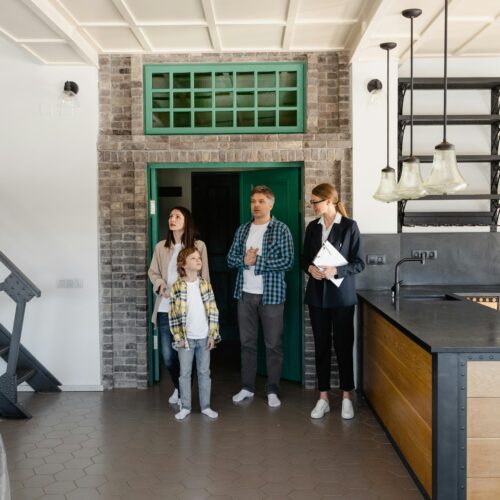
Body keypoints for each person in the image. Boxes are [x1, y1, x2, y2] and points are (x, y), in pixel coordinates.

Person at [301, 183, 365, 420]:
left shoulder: (349, 227)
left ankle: (347, 396)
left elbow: (359, 263)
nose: (313, 206)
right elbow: (303, 257)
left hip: (342, 298)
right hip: (317, 297)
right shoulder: (312, 227)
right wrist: (310, 268)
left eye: (316, 201)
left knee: (343, 346)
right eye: (312, 202)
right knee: (320, 347)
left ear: (329, 201)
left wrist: (335, 272)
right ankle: (323, 398)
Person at [227, 185, 294, 408]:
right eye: (253, 201)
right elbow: (230, 259)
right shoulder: (243, 230)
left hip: (272, 296)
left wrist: (258, 261)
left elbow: (288, 261)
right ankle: (247, 388)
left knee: (273, 345)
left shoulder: (281, 229)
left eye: (261, 201)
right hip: (245, 294)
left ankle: (272, 390)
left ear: (271, 204)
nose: (256, 205)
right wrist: (244, 260)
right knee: (247, 344)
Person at [148, 207, 210, 405]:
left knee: (189, 354)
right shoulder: (161, 247)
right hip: (167, 308)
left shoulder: (199, 246)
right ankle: (179, 387)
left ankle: (184, 394)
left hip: (192, 310)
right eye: (170, 216)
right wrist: (161, 286)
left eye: (177, 216)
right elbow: (153, 273)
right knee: (168, 355)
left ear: (186, 221)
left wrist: (208, 310)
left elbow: (205, 277)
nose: (172, 219)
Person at [169, 247, 220, 420]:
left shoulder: (205, 284)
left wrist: (213, 335)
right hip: (186, 339)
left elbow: (213, 310)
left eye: (199, 258)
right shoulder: (177, 287)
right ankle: (186, 406)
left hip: (204, 336)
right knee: (184, 373)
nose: (198, 260)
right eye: (193, 258)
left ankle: (206, 406)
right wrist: (178, 337)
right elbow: (173, 315)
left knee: (204, 372)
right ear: (183, 264)